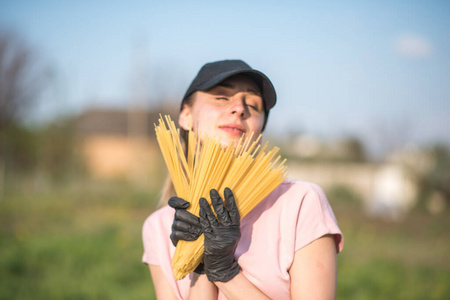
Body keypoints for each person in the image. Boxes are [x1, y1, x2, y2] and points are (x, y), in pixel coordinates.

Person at [142, 59, 344, 299]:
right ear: (186, 115)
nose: (239, 109)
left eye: (254, 105)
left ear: (259, 131)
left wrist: (225, 272)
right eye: (222, 97)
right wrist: (202, 266)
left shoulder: (300, 203)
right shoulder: (159, 227)